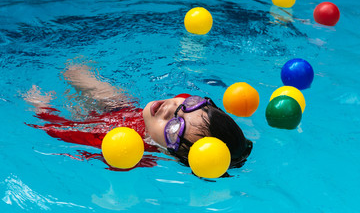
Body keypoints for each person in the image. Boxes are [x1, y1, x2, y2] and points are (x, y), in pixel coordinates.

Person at [24, 64, 252, 171]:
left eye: (174, 128)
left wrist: (41, 107)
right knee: (78, 73)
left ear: (171, 155)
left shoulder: (127, 149)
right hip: (124, 109)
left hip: (100, 121)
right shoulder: (180, 105)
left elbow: (60, 131)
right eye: (190, 105)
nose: (170, 106)